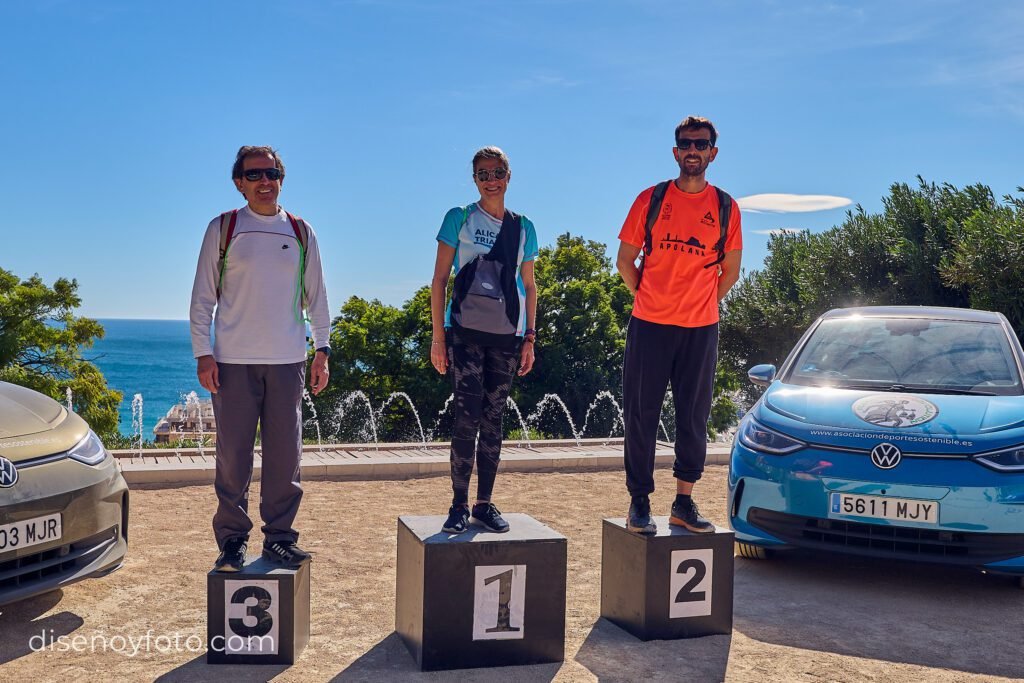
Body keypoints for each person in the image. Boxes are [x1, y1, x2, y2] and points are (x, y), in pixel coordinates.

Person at [190, 145, 332, 571]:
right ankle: (233, 541)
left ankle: (279, 540)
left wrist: (321, 350)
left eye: (272, 173)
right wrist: (204, 353)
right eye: (254, 175)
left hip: (288, 360)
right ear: (239, 183)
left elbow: (317, 297)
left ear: (281, 179)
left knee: (285, 457)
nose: (264, 182)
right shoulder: (224, 228)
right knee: (233, 456)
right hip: (233, 361)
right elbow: (202, 299)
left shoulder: (301, 231)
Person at [615, 117, 742, 534]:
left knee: (693, 417)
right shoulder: (650, 199)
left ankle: (683, 503)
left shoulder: (725, 207)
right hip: (649, 324)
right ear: (675, 152)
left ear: (713, 153)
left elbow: (731, 273)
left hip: (700, 328)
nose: (693, 150)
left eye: (701, 144)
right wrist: (649, 297)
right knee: (641, 415)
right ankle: (639, 503)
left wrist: (698, 303)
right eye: (686, 144)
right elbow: (624, 260)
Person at [430, 146, 538, 534]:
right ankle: (458, 504)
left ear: (509, 176)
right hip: (465, 333)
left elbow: (529, 284)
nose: (490, 180)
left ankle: (483, 504)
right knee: (466, 417)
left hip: (507, 337)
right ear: (474, 179)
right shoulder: (458, 218)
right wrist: (437, 338)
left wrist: (529, 337)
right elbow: (440, 279)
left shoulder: (523, 226)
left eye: (496, 172)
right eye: (482, 174)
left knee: (494, 421)